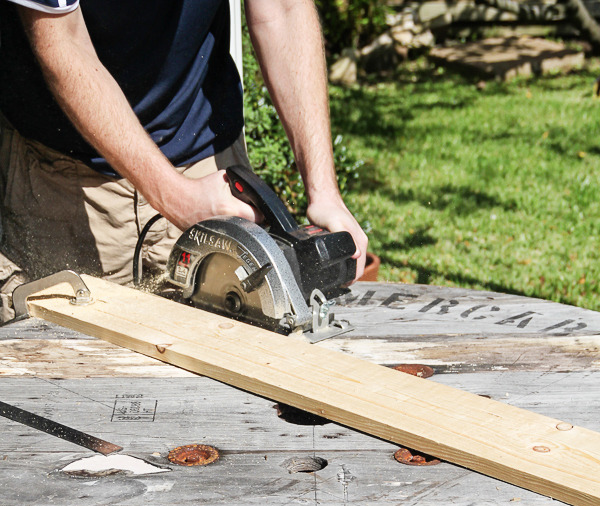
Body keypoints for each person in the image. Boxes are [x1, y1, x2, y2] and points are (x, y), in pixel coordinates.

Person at [0, 0, 367, 323]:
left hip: (211, 174)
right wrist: (178, 197)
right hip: (65, 187)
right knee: (66, 377)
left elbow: (283, 9)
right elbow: (63, 46)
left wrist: (324, 192)